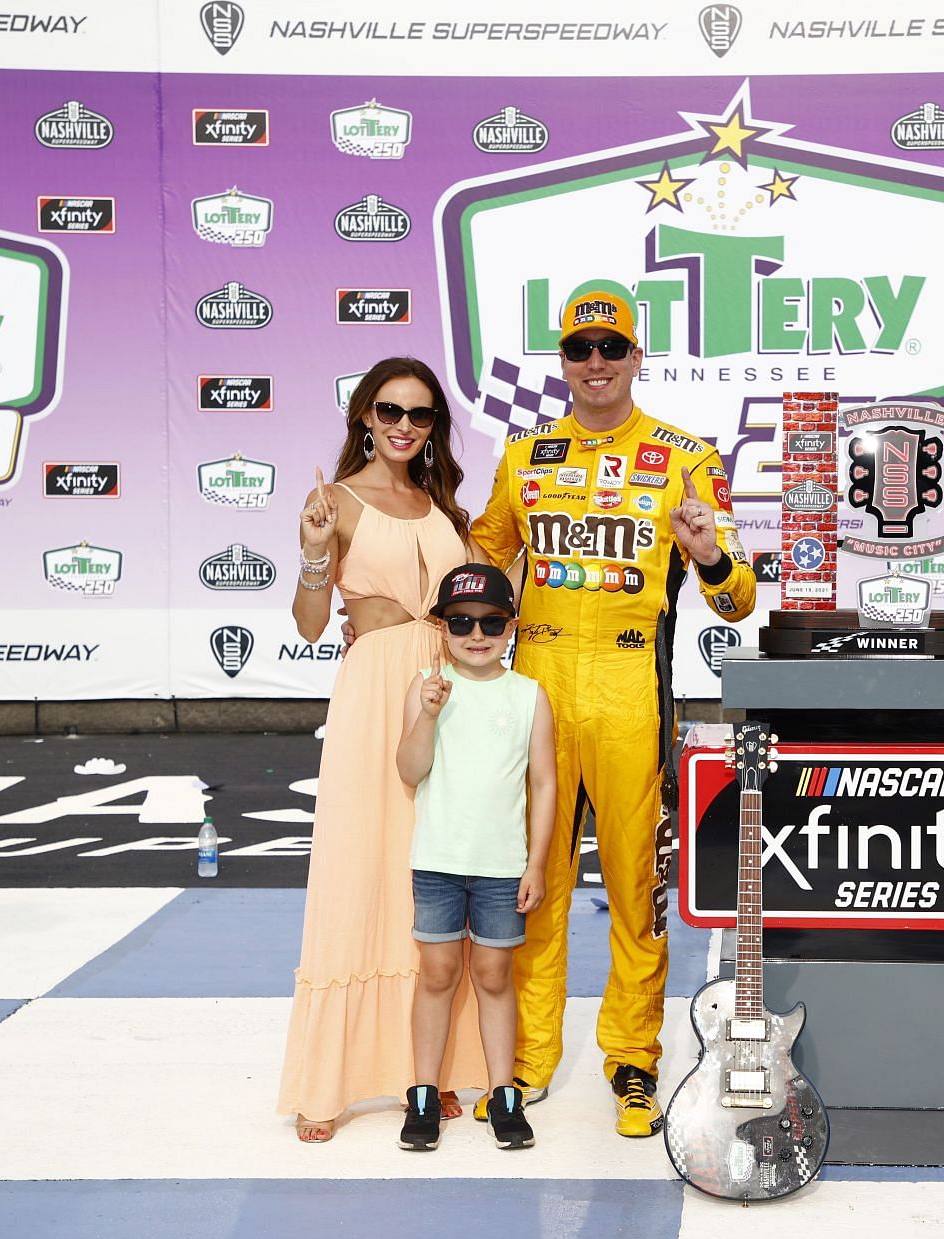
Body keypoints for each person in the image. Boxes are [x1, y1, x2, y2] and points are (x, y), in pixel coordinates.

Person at [470, 289, 758, 1137]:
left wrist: (707, 554)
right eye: (579, 348)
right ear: (563, 360)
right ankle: (527, 1057)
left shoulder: (683, 457)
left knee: (636, 886)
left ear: (637, 357)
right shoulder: (524, 455)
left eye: (612, 346)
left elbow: (739, 598)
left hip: (634, 691)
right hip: (540, 686)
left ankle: (634, 1059)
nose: (596, 362)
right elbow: (482, 557)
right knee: (536, 884)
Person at [277, 357, 489, 1141]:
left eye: (422, 415)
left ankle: (425, 1071)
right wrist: (311, 551)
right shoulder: (334, 501)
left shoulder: (442, 507)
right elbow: (307, 622)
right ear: (365, 414)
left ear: (434, 428)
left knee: (433, 871)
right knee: (361, 865)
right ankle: (327, 1084)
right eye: (391, 410)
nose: (405, 426)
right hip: (375, 695)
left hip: (450, 692)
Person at [394, 564, 556, 1151]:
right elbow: (409, 770)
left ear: (511, 625)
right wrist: (429, 713)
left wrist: (536, 863)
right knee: (437, 974)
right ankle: (424, 1096)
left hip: (502, 866)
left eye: (491, 621)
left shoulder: (529, 695)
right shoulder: (427, 685)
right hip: (437, 860)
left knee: (494, 975)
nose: (476, 634)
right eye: (461, 621)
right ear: (442, 627)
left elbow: (546, 786)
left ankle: (503, 1095)